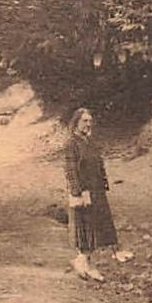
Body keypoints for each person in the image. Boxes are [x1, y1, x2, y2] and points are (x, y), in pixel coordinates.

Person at [64, 107, 118, 281]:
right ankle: (87, 264)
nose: (88, 124)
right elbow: (71, 171)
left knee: (95, 227)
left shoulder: (90, 142)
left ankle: (83, 262)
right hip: (83, 192)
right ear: (76, 123)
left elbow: (98, 165)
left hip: (96, 190)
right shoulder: (71, 143)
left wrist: (102, 185)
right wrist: (78, 193)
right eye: (84, 121)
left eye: (90, 121)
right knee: (85, 227)